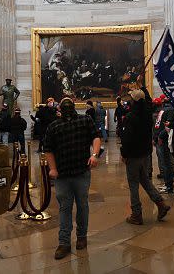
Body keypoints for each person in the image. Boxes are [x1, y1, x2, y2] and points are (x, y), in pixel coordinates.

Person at [44, 98, 102, 260]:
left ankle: (81, 236)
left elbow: (96, 137)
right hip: (62, 174)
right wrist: (53, 168)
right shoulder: (53, 126)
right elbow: (48, 149)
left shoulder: (85, 120)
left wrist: (94, 155)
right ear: (61, 109)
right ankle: (64, 242)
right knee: (65, 207)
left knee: (82, 205)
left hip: (81, 172)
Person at [120, 89, 171, 224]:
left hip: (133, 155)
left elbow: (127, 139)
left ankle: (136, 214)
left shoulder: (131, 117)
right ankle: (161, 204)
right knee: (145, 181)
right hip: (144, 154)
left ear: (134, 101)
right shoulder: (147, 114)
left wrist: (124, 154)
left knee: (133, 185)